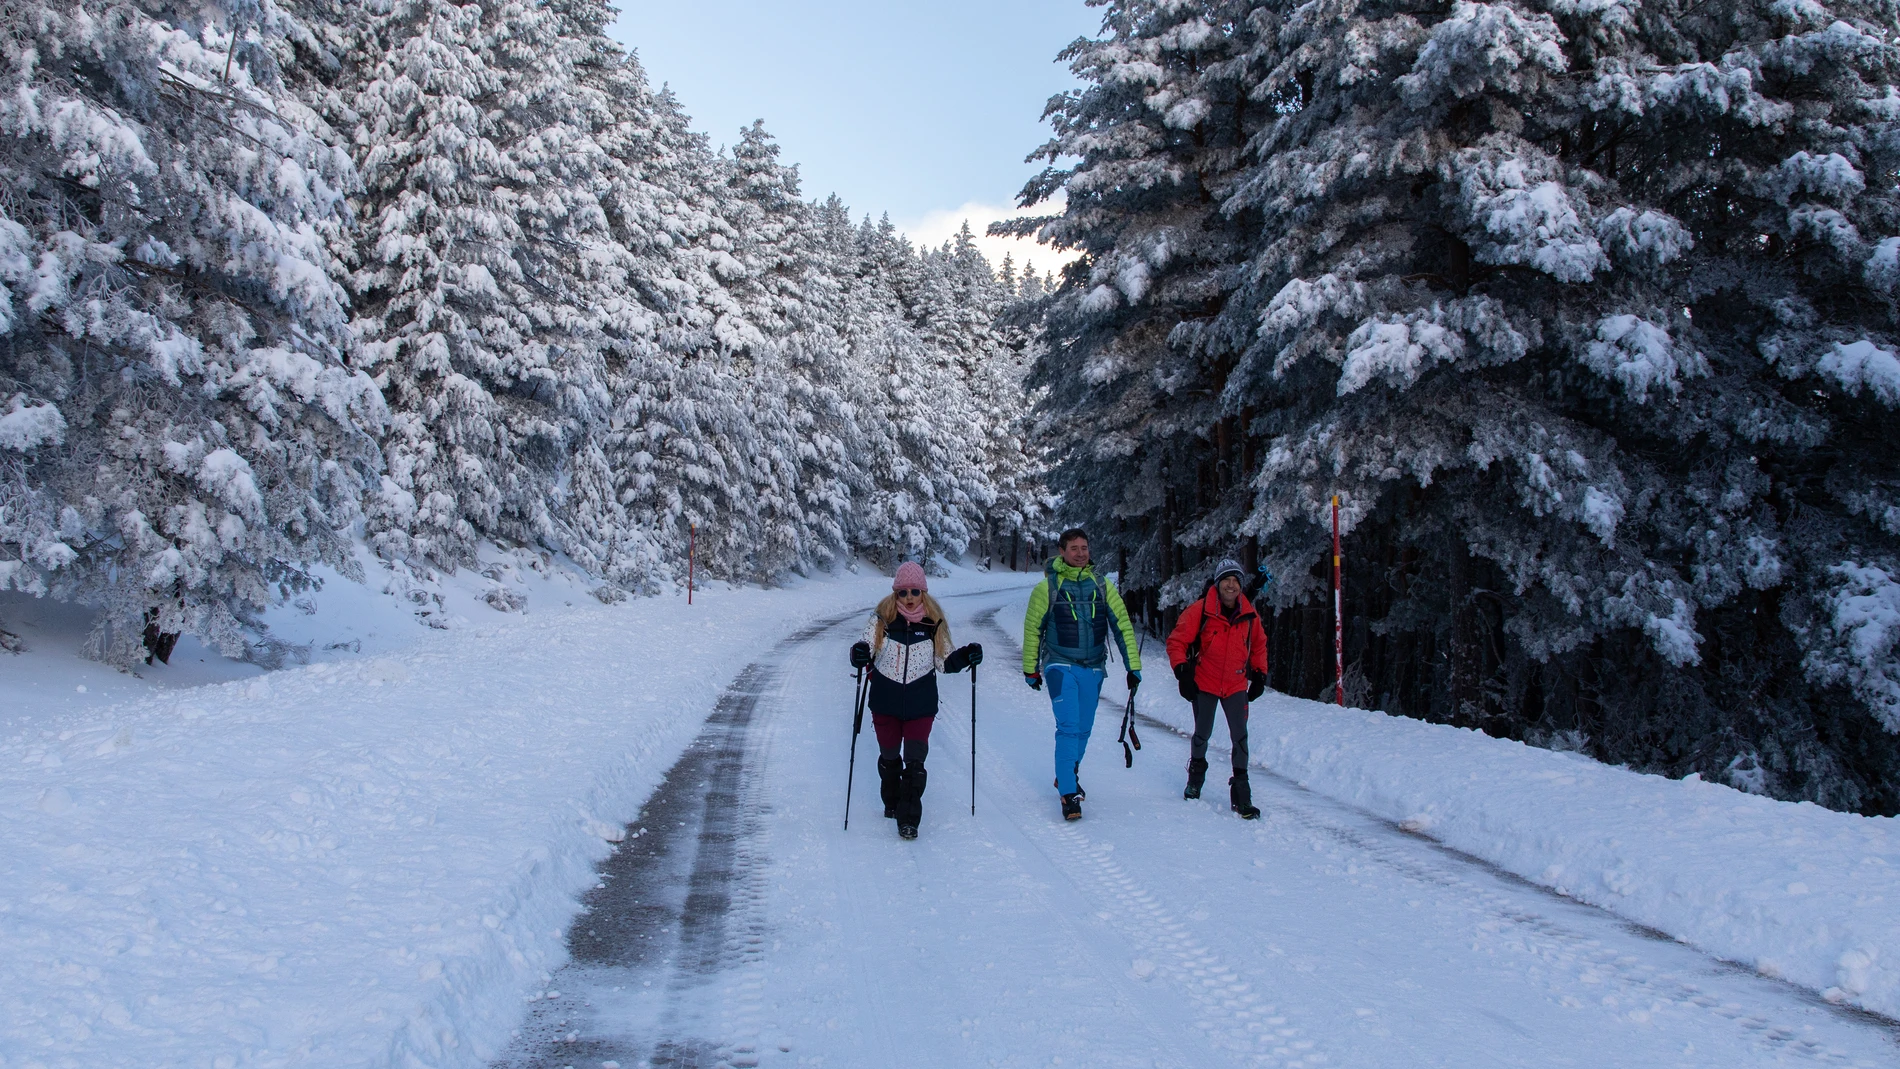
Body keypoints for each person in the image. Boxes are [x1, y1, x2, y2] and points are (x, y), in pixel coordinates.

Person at [849, 562, 981, 839]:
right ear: (895, 593)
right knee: (889, 757)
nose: (909, 598)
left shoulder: (933, 623)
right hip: (885, 702)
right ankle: (892, 801)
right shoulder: (882, 620)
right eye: (903, 592)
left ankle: (909, 819)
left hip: (921, 704)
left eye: (915, 591)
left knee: (915, 762)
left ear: (924, 593)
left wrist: (967, 655)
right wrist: (858, 654)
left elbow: (945, 662)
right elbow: (864, 647)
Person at [1021, 528, 1142, 821]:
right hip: (1060, 665)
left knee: (1084, 728)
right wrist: (1030, 668)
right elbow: (1033, 630)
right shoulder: (1046, 588)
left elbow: (1122, 625)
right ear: (1062, 551)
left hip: (1094, 667)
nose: (1080, 553)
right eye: (1074, 548)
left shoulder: (1101, 585)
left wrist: (1133, 667)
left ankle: (1067, 775)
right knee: (1069, 726)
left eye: (1084, 547)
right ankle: (1068, 794)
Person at [1166, 558, 1268, 819]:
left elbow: (1259, 645)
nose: (1231, 586)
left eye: (1235, 581)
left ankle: (1242, 796)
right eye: (1226, 581)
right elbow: (1176, 642)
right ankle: (1195, 781)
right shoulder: (1200, 611)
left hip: (1235, 684)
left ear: (1241, 586)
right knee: (1202, 733)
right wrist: (1182, 672)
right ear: (1218, 583)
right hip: (1205, 682)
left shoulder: (1249, 615)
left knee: (1240, 737)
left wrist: (1259, 674)